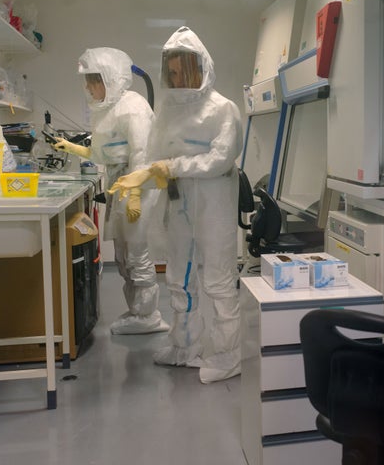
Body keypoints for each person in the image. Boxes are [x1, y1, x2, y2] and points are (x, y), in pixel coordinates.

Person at [109, 27, 243, 383]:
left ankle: (228, 355)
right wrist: (140, 183)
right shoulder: (167, 110)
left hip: (214, 207)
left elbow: (220, 159)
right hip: (178, 204)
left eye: (184, 69)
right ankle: (185, 346)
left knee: (216, 280)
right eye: (172, 70)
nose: (177, 77)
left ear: (202, 68)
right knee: (179, 278)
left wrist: (171, 167)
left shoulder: (223, 109)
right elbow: (153, 157)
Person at [53, 47, 169, 335]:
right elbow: (101, 153)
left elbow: (142, 155)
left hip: (139, 186)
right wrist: (72, 147)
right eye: (88, 81)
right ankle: (137, 311)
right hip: (121, 184)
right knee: (122, 253)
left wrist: (134, 195)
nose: (90, 88)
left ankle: (149, 315)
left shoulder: (133, 106)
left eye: (95, 80)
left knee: (136, 251)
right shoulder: (106, 109)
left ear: (113, 78)